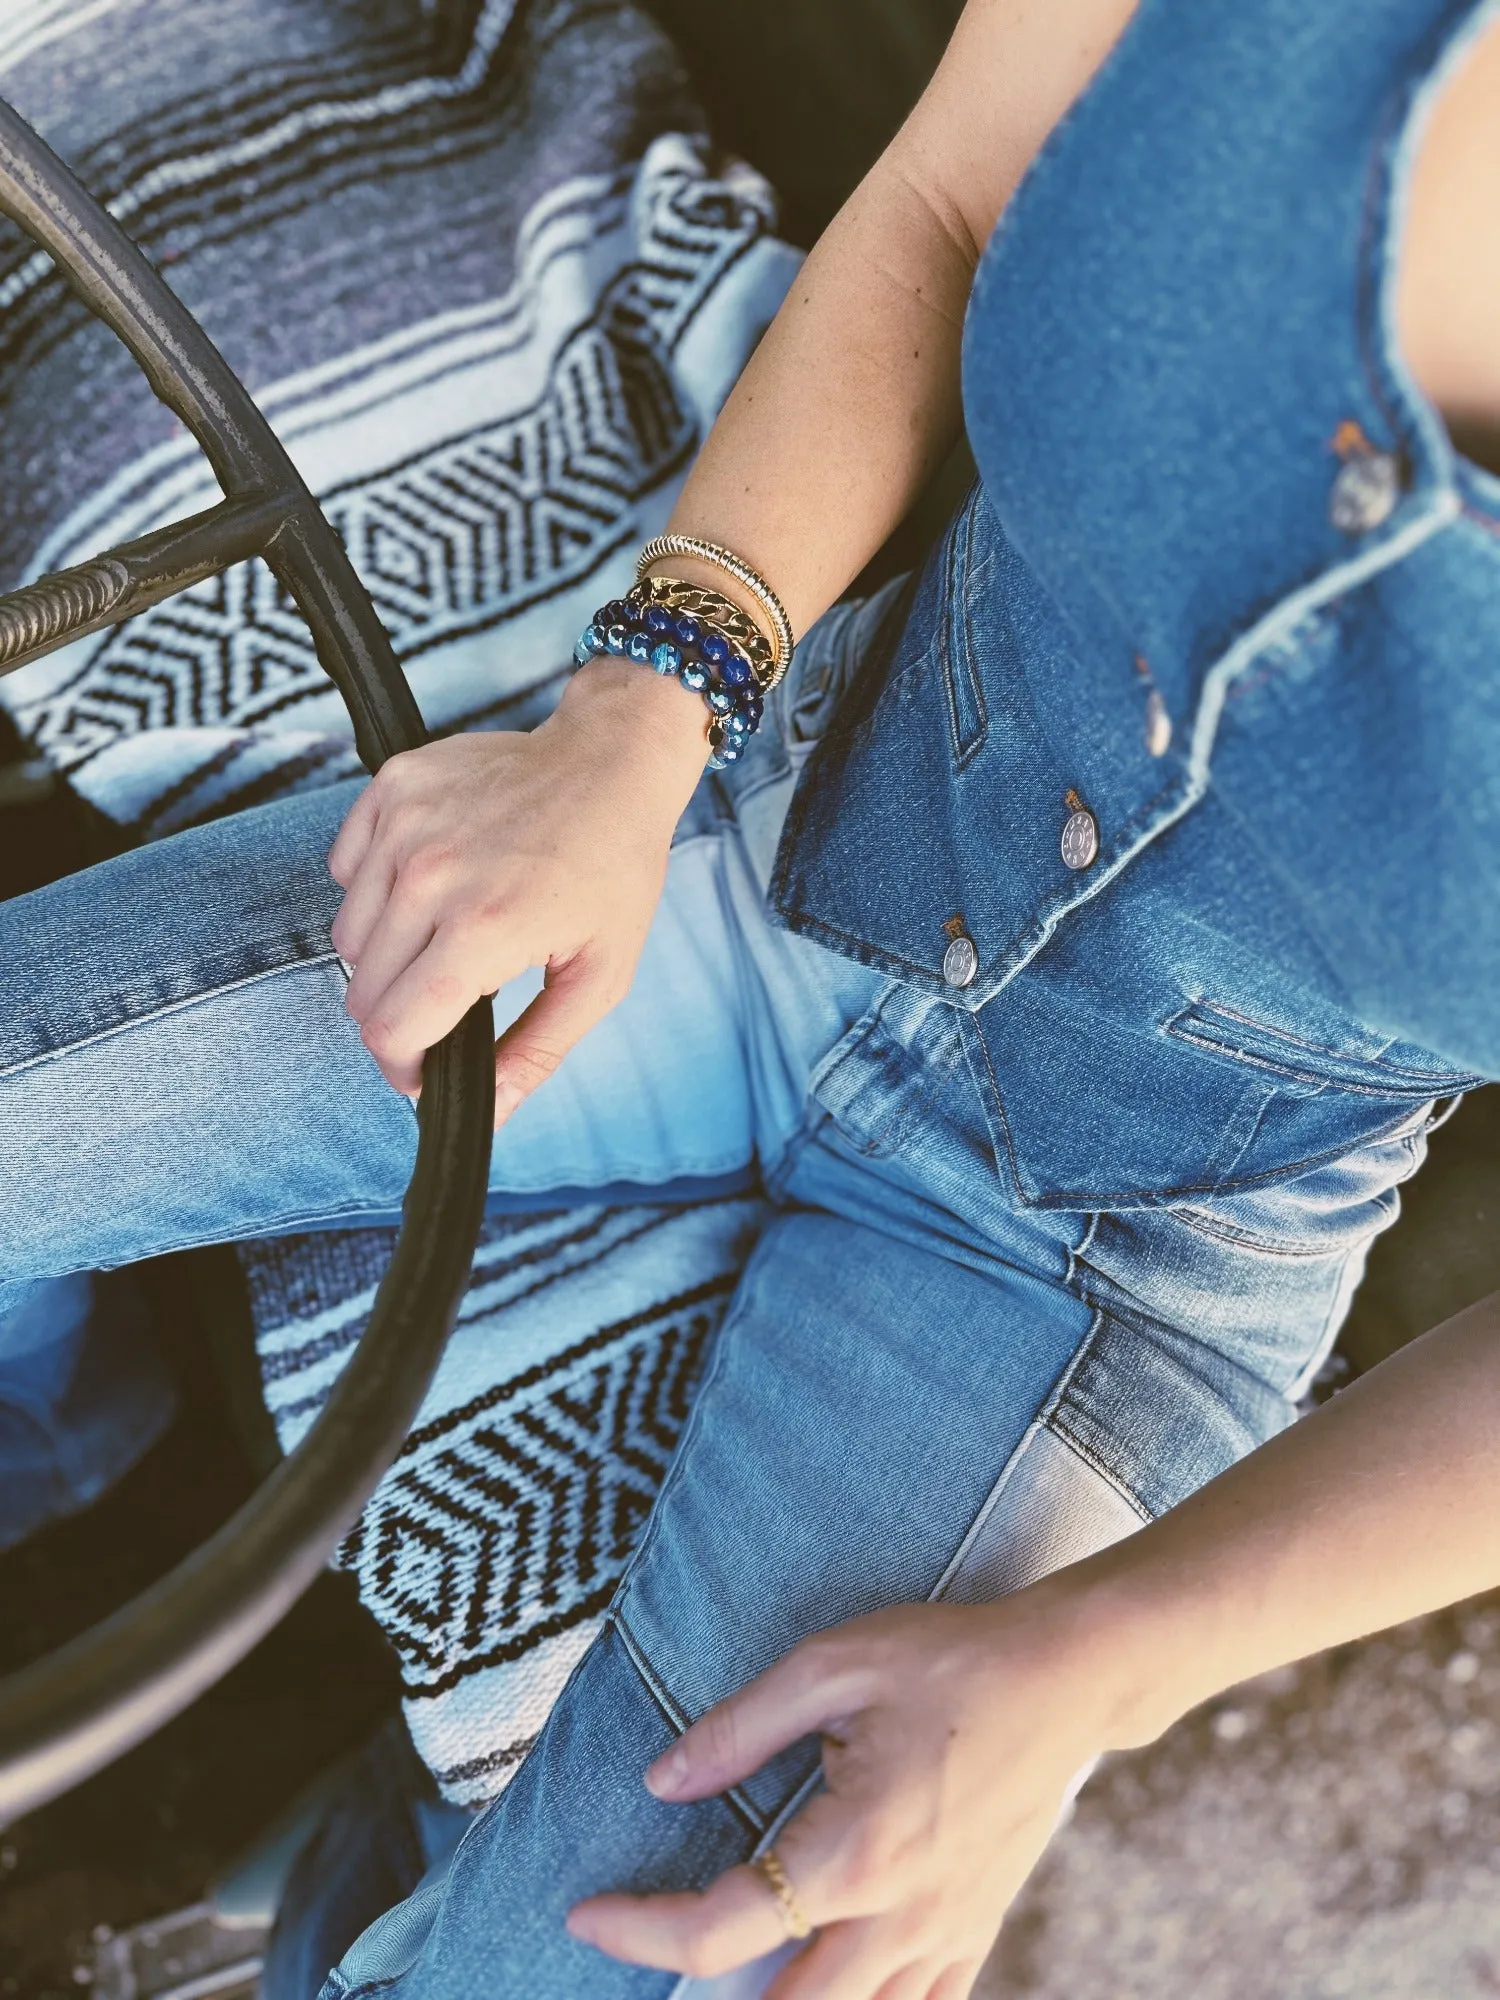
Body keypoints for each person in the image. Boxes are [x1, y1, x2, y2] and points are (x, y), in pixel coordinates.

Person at [1, 1, 1499, 1996]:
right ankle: (67, 1466)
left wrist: (1095, 1669)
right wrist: (634, 716)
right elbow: (956, 192)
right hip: (771, 815)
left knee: (578, 1964)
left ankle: (287, 1907)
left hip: (1096, 1265)